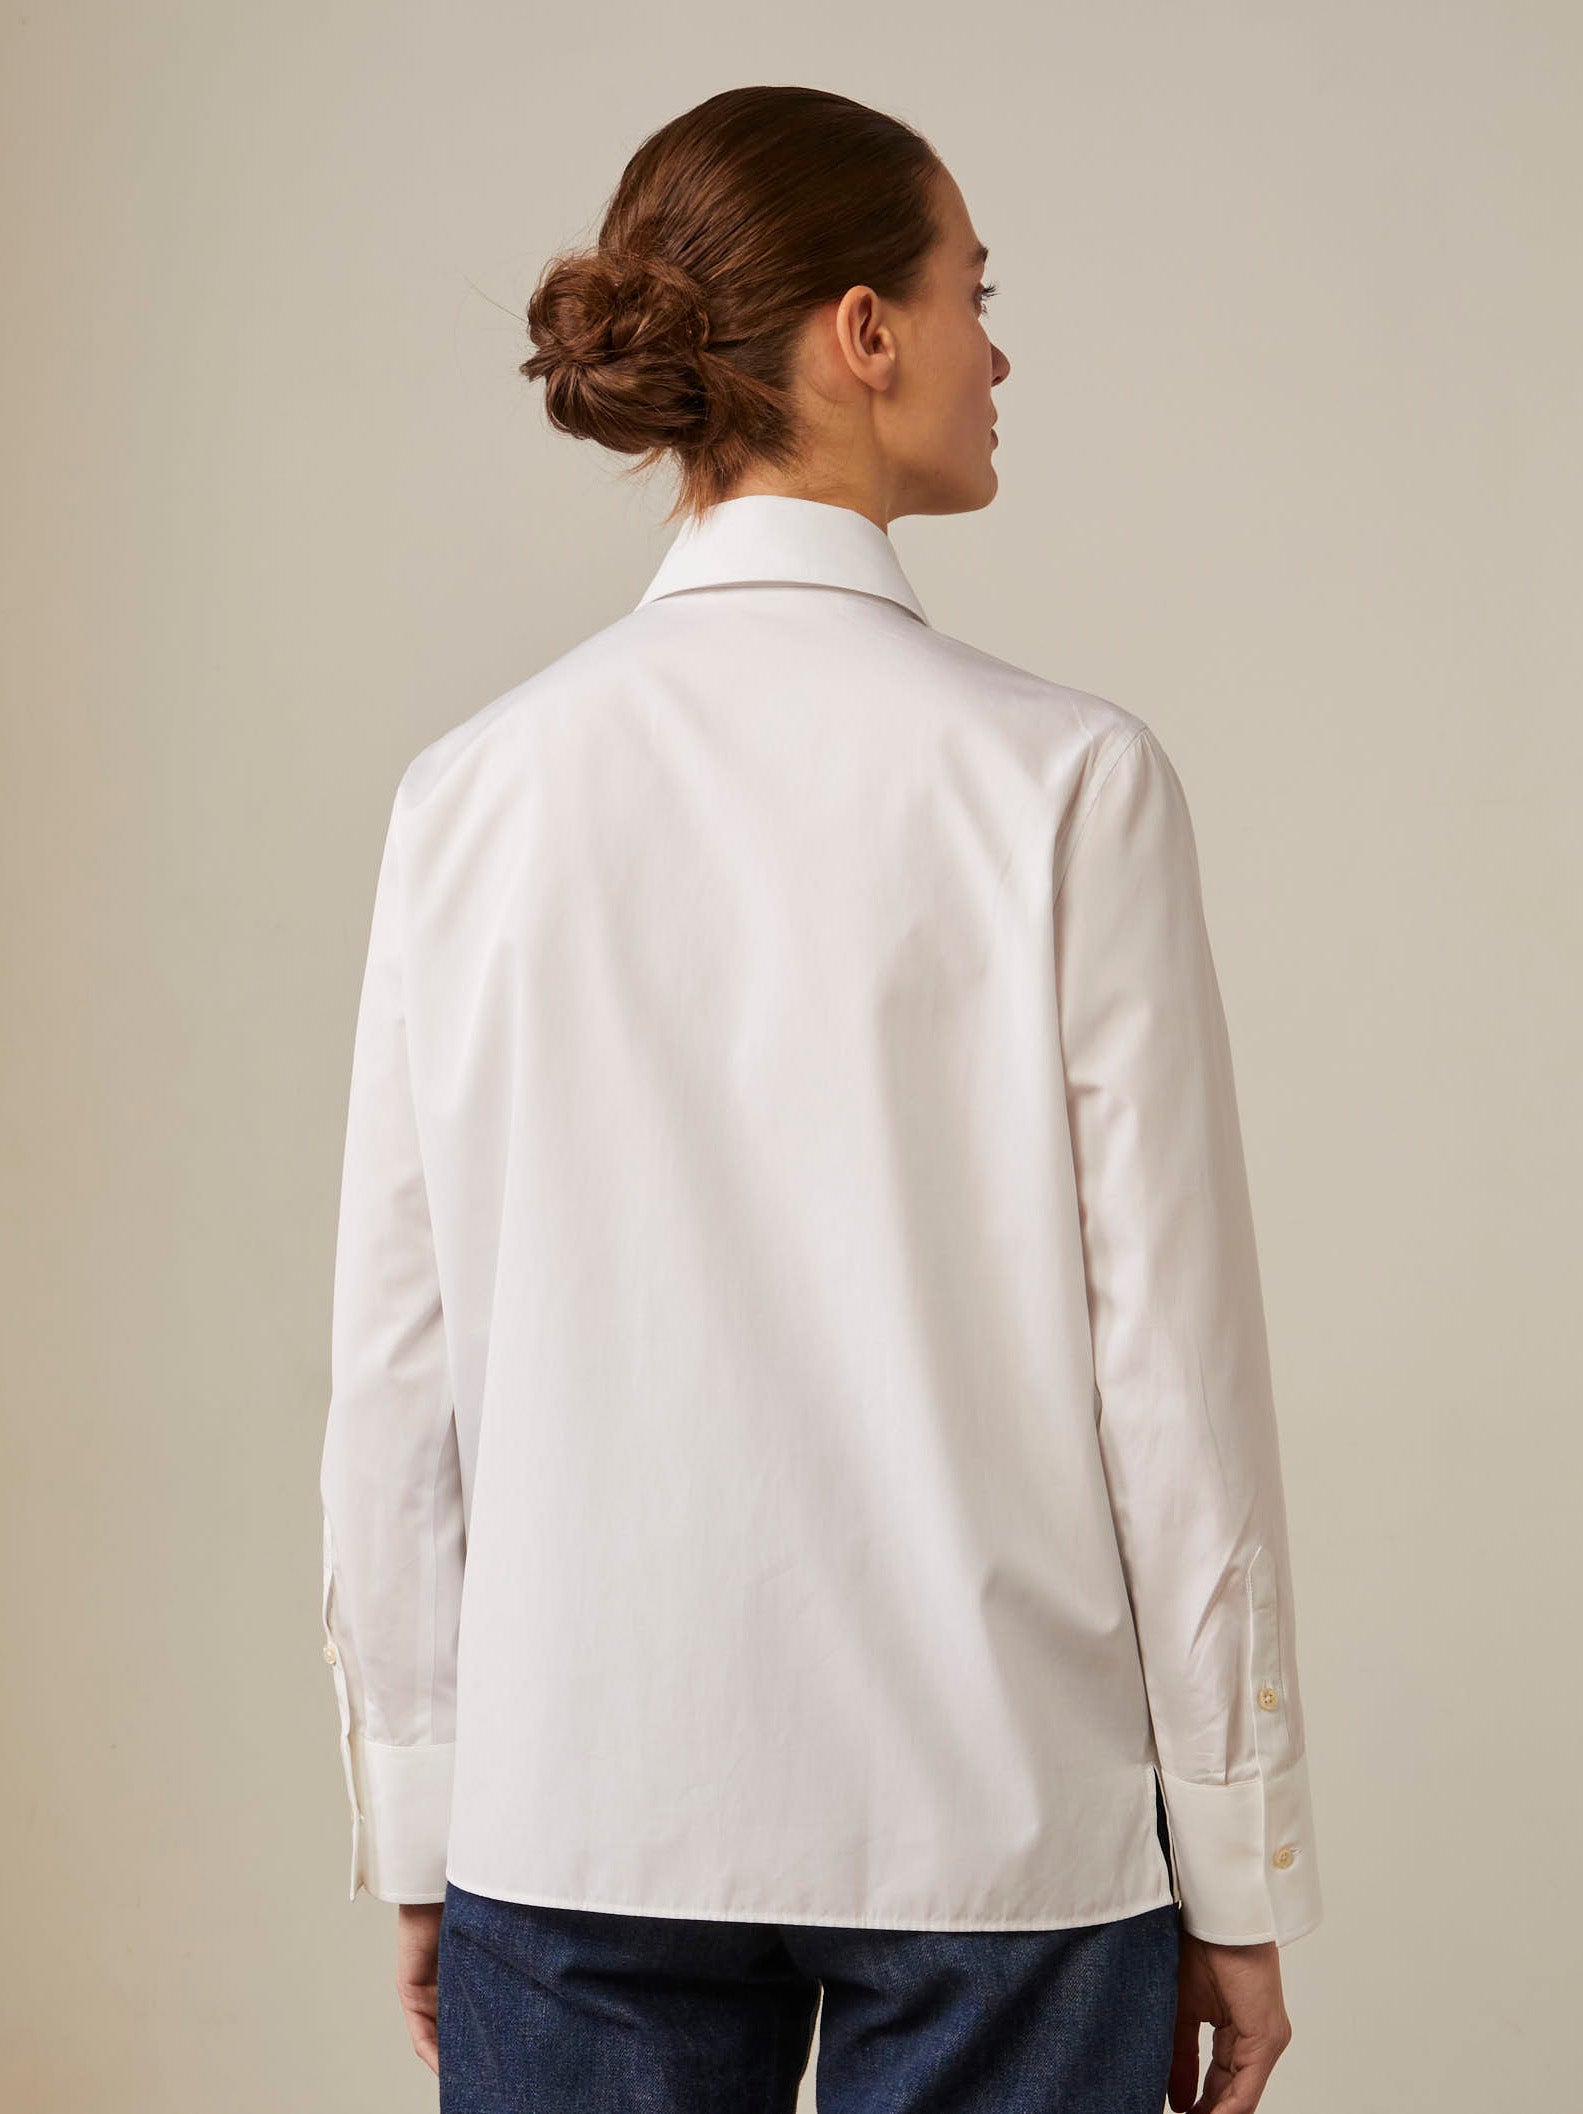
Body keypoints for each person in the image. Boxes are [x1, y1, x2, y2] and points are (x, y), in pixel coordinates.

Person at [317, 83, 1323, 2114]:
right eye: (975, 296)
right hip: (998, 1820)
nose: (997, 353)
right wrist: (1236, 1855)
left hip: (575, 1804)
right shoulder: (1067, 786)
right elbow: (1173, 1376)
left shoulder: (473, 795)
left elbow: (394, 1371)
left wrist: (420, 1803)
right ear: (865, 332)